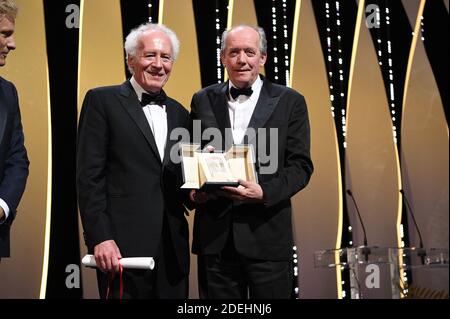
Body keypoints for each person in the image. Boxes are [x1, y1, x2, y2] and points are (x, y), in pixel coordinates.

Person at [190, 25, 313, 299]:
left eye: (249, 52)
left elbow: (301, 166)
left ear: (263, 58)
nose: (241, 60)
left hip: (266, 237)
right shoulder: (202, 99)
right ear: (223, 58)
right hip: (215, 238)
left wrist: (265, 192)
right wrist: (195, 188)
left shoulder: (290, 101)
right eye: (233, 52)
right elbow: (195, 155)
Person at [77, 23, 190, 299]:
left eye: (166, 57)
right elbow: (89, 177)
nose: (158, 64)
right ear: (130, 60)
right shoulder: (101, 101)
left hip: (172, 251)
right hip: (121, 249)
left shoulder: (181, 113)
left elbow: (180, 181)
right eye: (150, 55)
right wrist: (99, 237)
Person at [0, 0, 29, 260]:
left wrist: (2, 206)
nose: (12, 44)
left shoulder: (8, 93)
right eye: (5, 34)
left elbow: (17, 159)